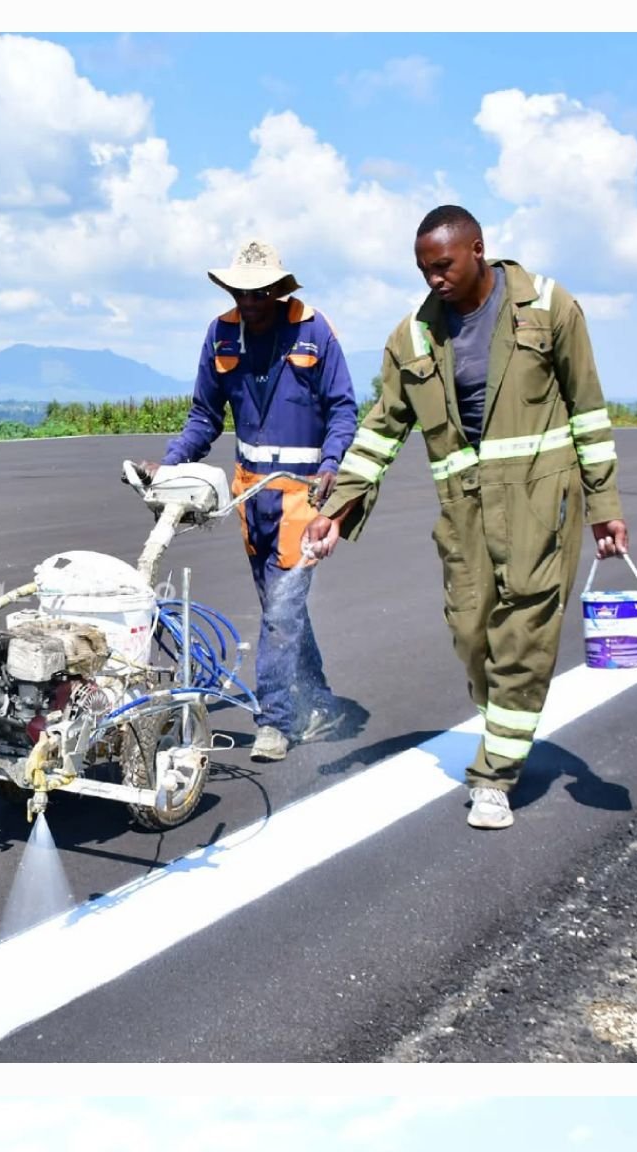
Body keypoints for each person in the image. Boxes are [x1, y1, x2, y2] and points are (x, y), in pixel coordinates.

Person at [319, 204, 627, 830]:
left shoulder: (547, 307)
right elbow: (382, 430)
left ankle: (494, 778)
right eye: (423, 268)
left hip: (542, 501)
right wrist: (333, 509)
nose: (433, 278)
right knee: (471, 633)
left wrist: (604, 505)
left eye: (443, 265)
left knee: (523, 639)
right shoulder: (414, 337)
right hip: (464, 510)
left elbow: (588, 410)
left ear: (477, 250)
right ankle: (509, 723)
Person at [155, 237, 366, 762]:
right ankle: (317, 700)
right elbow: (205, 416)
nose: (248, 302)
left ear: (277, 289)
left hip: (303, 495)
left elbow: (343, 409)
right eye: (239, 293)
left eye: (258, 293)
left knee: (281, 610)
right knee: (280, 608)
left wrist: (332, 465)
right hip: (250, 497)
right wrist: (172, 462)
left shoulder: (313, 331)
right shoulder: (222, 336)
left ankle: (277, 719)